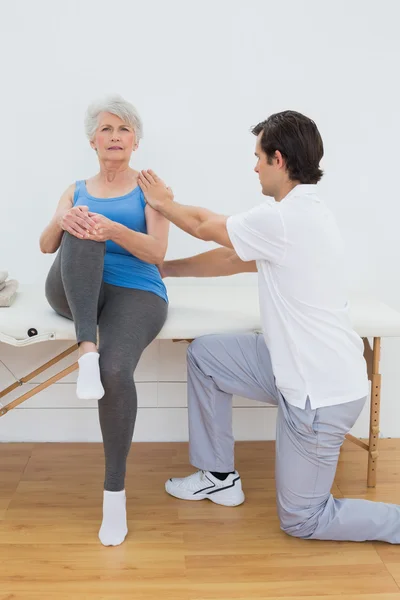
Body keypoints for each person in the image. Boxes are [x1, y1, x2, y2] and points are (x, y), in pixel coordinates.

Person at [137, 110, 400, 543]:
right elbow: (232, 258)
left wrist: (163, 202)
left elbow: (205, 226)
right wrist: (166, 268)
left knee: (303, 519)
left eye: (258, 156)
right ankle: (219, 475)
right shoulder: (290, 214)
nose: (253, 166)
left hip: (320, 395)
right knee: (206, 356)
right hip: (289, 367)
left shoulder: (285, 219)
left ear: (278, 159)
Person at [39, 94, 169, 546]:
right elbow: (45, 246)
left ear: (135, 141)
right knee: (80, 223)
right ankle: (86, 349)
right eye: (107, 129)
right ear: (92, 140)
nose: (115, 137)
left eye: (124, 130)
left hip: (135, 291)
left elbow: (157, 253)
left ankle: (114, 497)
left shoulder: (149, 187)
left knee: (116, 372)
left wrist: (112, 229)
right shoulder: (76, 188)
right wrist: (65, 216)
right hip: (75, 292)